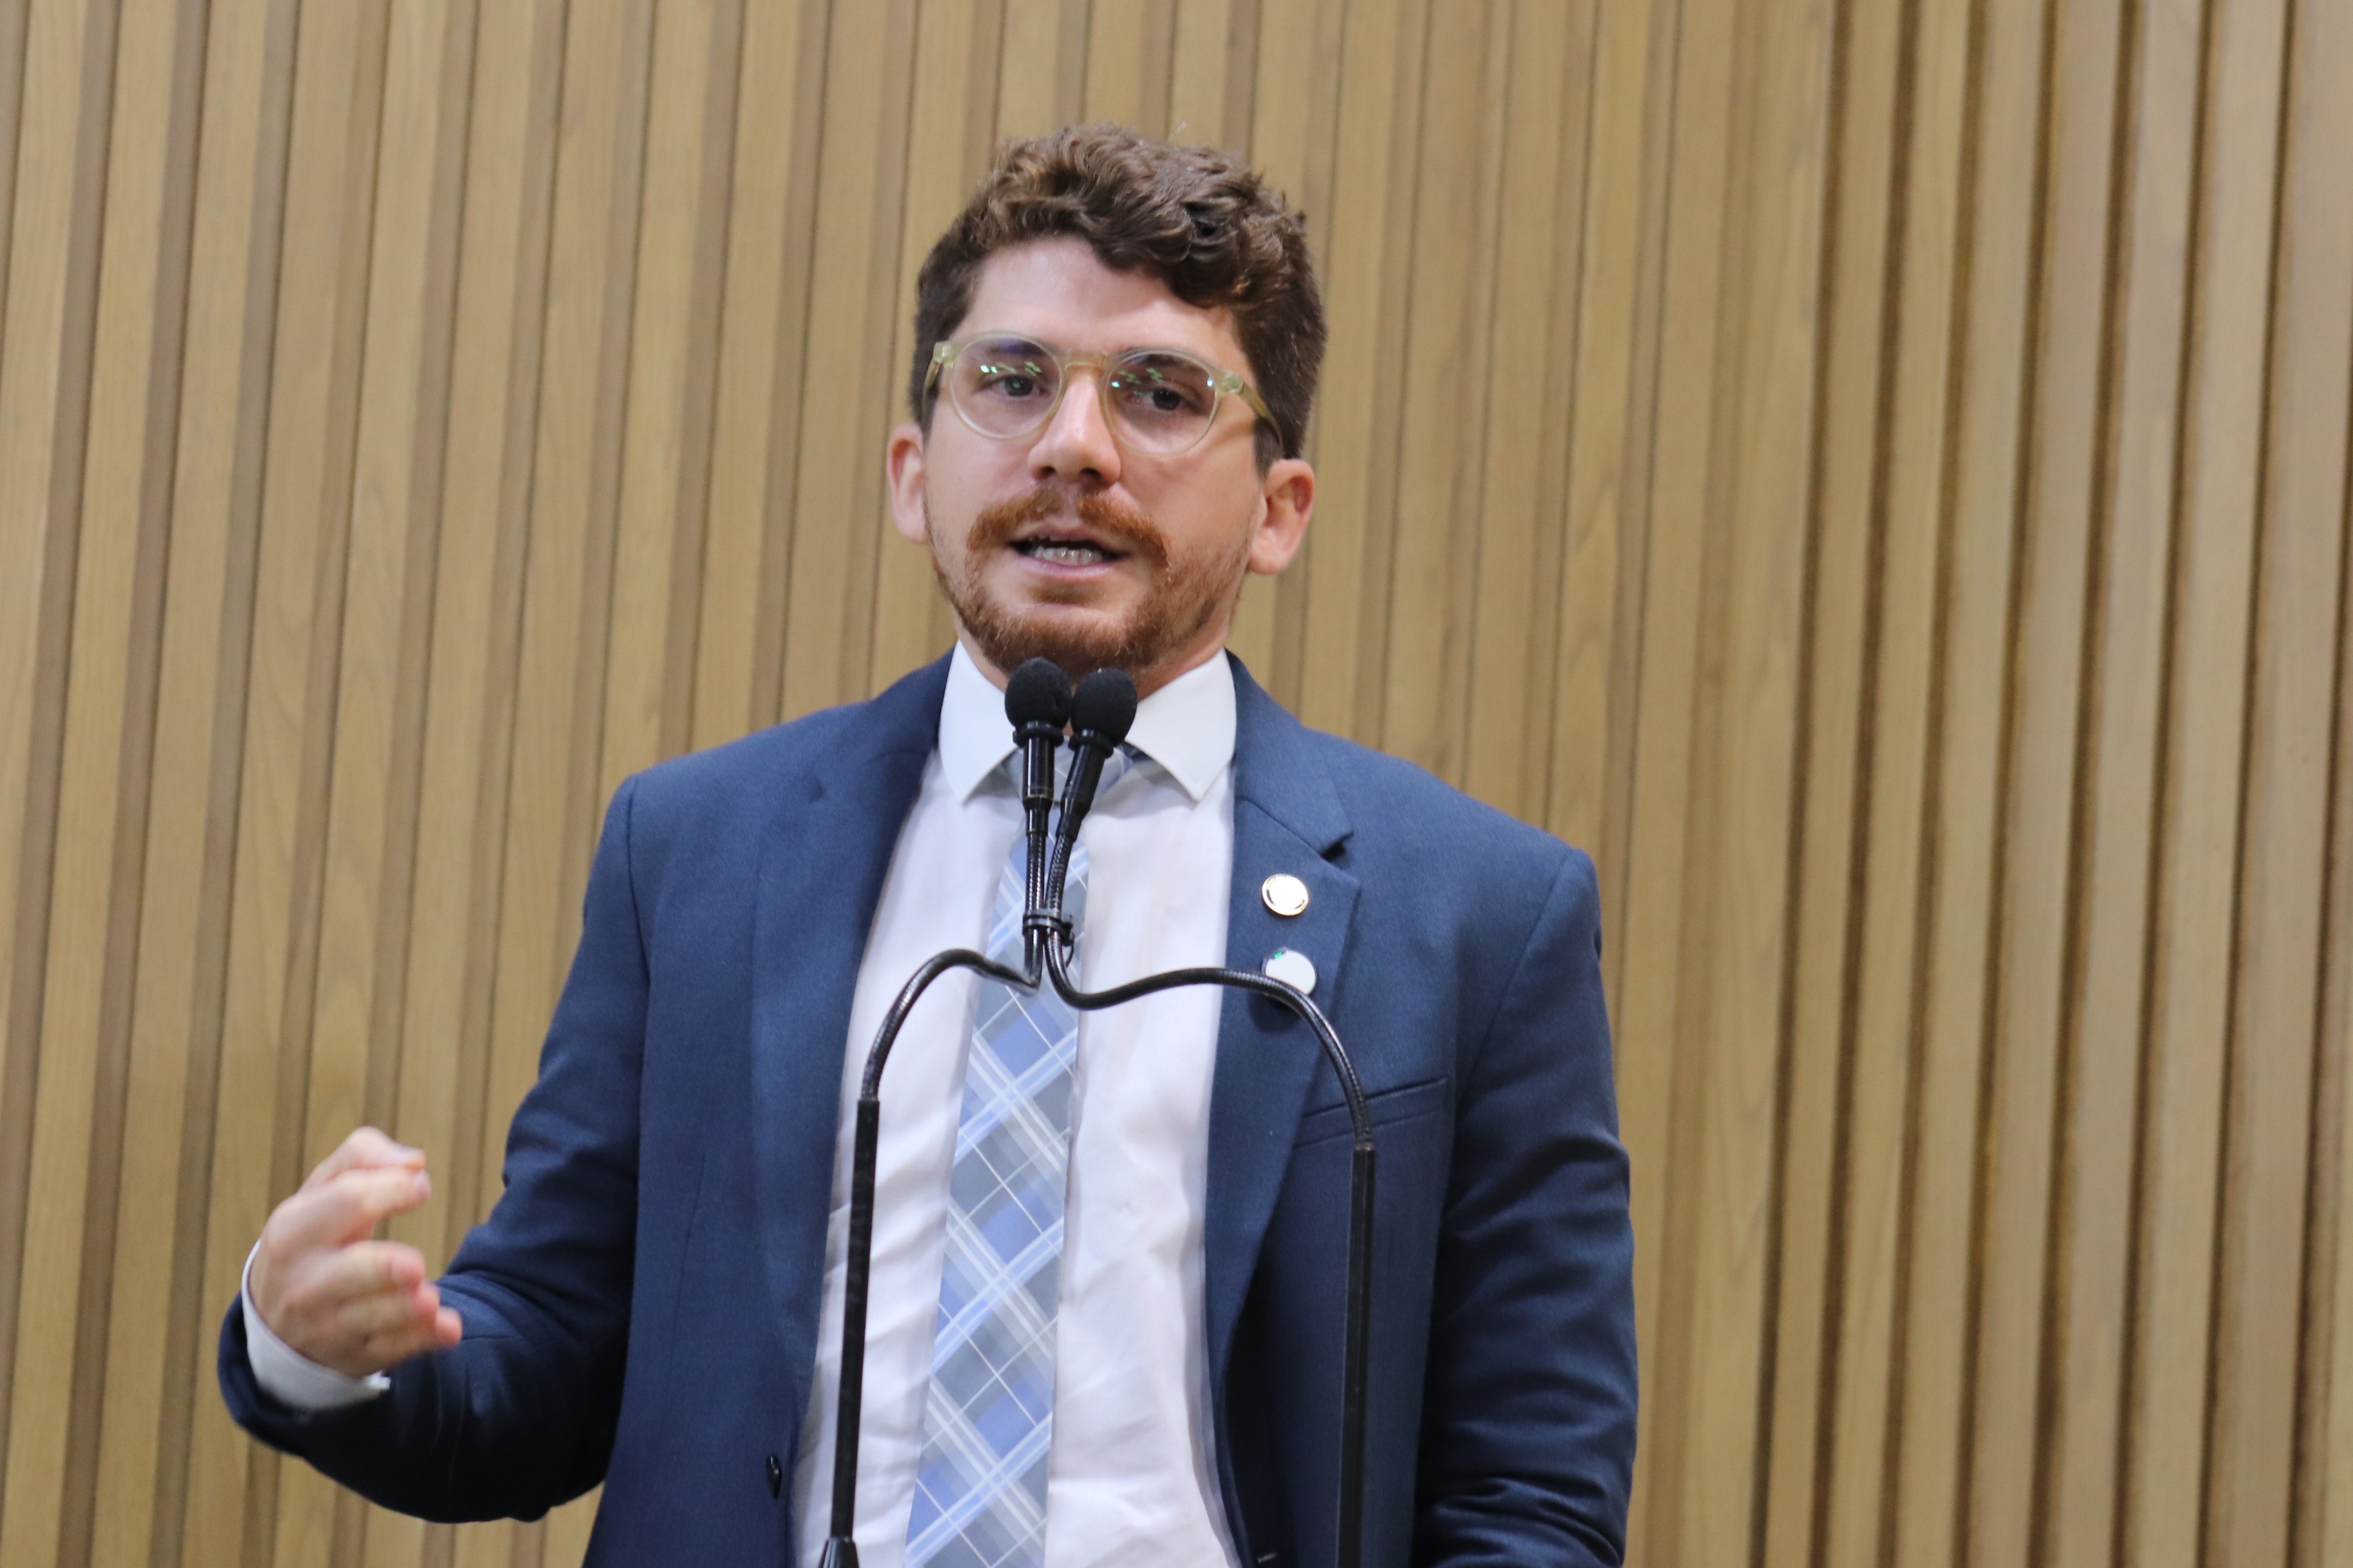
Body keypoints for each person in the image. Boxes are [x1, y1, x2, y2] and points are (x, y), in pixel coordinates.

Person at [220, 126, 1637, 1567]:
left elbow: (1529, 1496)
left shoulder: (1477, 917)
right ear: (912, 473)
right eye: (1010, 380)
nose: (1073, 446)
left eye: (1160, 393)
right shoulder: (700, 851)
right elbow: (546, 1352)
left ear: (1280, 512)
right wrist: (317, 1347)